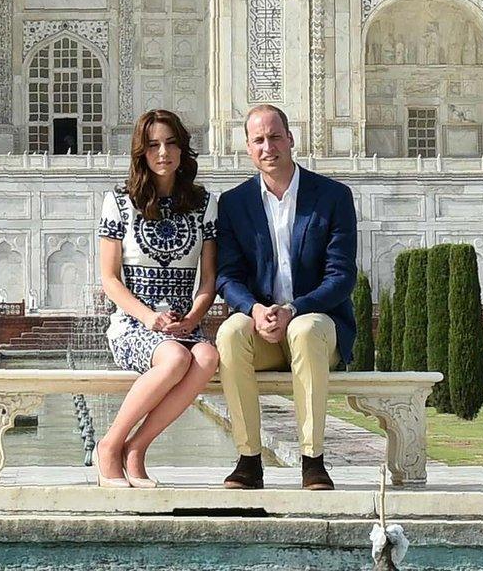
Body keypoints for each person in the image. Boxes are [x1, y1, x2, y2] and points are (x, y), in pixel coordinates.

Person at [215, 103, 358, 490]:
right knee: (230, 333)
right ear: (247, 147)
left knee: (306, 330)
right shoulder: (234, 203)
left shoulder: (331, 197)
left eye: (275, 136)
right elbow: (227, 277)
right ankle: (248, 459)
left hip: (316, 327)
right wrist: (255, 309)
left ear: (291, 139)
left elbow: (341, 277)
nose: (268, 147)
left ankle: (313, 460)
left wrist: (293, 309)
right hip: (263, 328)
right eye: (258, 139)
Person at [94, 109, 220, 489]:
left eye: (170, 143)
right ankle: (110, 445)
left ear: (182, 150)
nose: (163, 152)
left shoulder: (203, 204)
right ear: (141, 153)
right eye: (153, 145)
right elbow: (110, 280)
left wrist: (194, 316)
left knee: (208, 356)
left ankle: (137, 449)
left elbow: (209, 280)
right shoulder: (119, 202)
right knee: (176, 356)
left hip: (183, 324)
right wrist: (150, 318)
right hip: (134, 324)